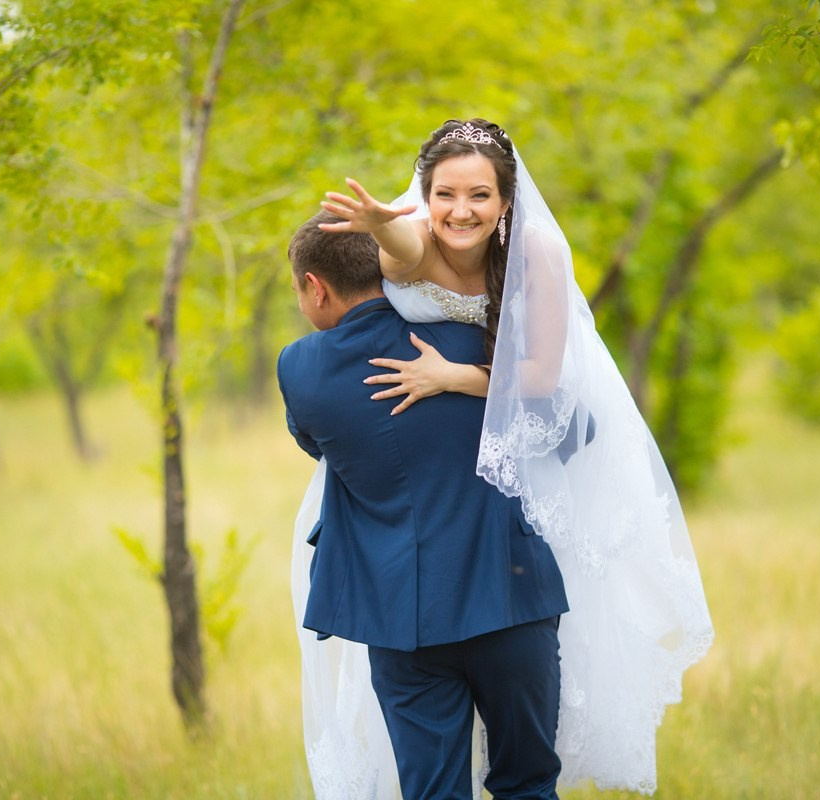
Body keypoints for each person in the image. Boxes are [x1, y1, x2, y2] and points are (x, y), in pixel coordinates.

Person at [304, 118, 715, 795]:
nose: (459, 212)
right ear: (425, 194)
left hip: (513, 451)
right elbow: (406, 248)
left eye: (478, 196)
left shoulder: (539, 251)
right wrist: (383, 223)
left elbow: (543, 380)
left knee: (526, 724)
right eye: (444, 194)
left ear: (505, 202)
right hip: (421, 466)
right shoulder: (411, 235)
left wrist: (454, 378)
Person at [277, 210, 570, 799]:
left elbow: (317, 445)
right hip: (509, 596)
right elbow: (566, 427)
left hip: (402, 619)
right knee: (530, 785)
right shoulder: (476, 343)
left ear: (315, 286)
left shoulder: (301, 368)